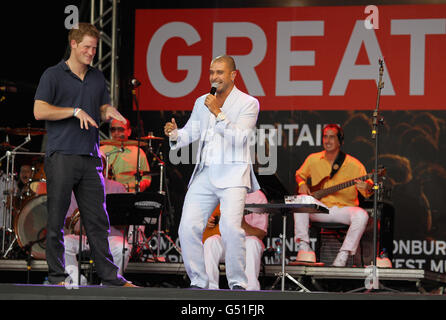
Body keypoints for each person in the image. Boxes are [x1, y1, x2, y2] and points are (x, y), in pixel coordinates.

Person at [33, 22, 134, 286]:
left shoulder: (97, 77)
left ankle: (111, 277)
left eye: (95, 48)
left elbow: (95, 114)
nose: (91, 52)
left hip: (90, 157)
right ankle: (56, 276)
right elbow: (39, 111)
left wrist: (106, 112)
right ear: (74, 44)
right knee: (56, 218)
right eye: (87, 47)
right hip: (62, 156)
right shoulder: (53, 75)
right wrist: (73, 110)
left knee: (98, 220)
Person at [164, 55, 260, 290]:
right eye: (211, 72)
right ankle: (198, 280)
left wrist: (218, 113)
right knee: (187, 227)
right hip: (205, 173)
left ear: (233, 75)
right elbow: (192, 132)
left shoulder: (249, 103)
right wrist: (176, 134)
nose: (214, 77)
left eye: (220, 72)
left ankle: (238, 282)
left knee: (229, 228)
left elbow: (240, 138)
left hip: (234, 173)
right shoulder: (202, 101)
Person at [293, 124, 373, 267]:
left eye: (332, 137)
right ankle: (304, 247)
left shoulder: (354, 164)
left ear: (340, 141)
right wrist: (301, 184)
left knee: (362, 215)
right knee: (299, 200)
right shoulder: (313, 159)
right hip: (321, 209)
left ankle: (343, 254)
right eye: (325, 136)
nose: (327, 140)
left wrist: (368, 187)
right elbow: (299, 175)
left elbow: (367, 189)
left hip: (344, 210)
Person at [64, 152, 132, 286]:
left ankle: (109, 285)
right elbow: (68, 221)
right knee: (64, 244)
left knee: (122, 248)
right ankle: (77, 281)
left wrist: (108, 217)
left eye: (98, 163)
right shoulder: (74, 186)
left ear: (104, 167)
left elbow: (125, 221)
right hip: (83, 237)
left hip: (110, 237)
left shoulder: (117, 187)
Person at [203, 189, 268, 290]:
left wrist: (243, 224)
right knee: (211, 241)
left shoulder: (257, 197)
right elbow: (207, 213)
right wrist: (208, 220)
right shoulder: (221, 192)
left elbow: (261, 234)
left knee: (252, 242)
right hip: (226, 241)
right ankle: (209, 288)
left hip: (247, 242)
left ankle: (250, 289)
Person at [100, 118, 151, 192]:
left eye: (120, 129)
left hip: (129, 195)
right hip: (106, 194)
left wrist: (130, 187)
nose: (116, 133)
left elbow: (146, 179)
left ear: (129, 132)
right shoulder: (101, 150)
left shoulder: (138, 152)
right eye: (113, 129)